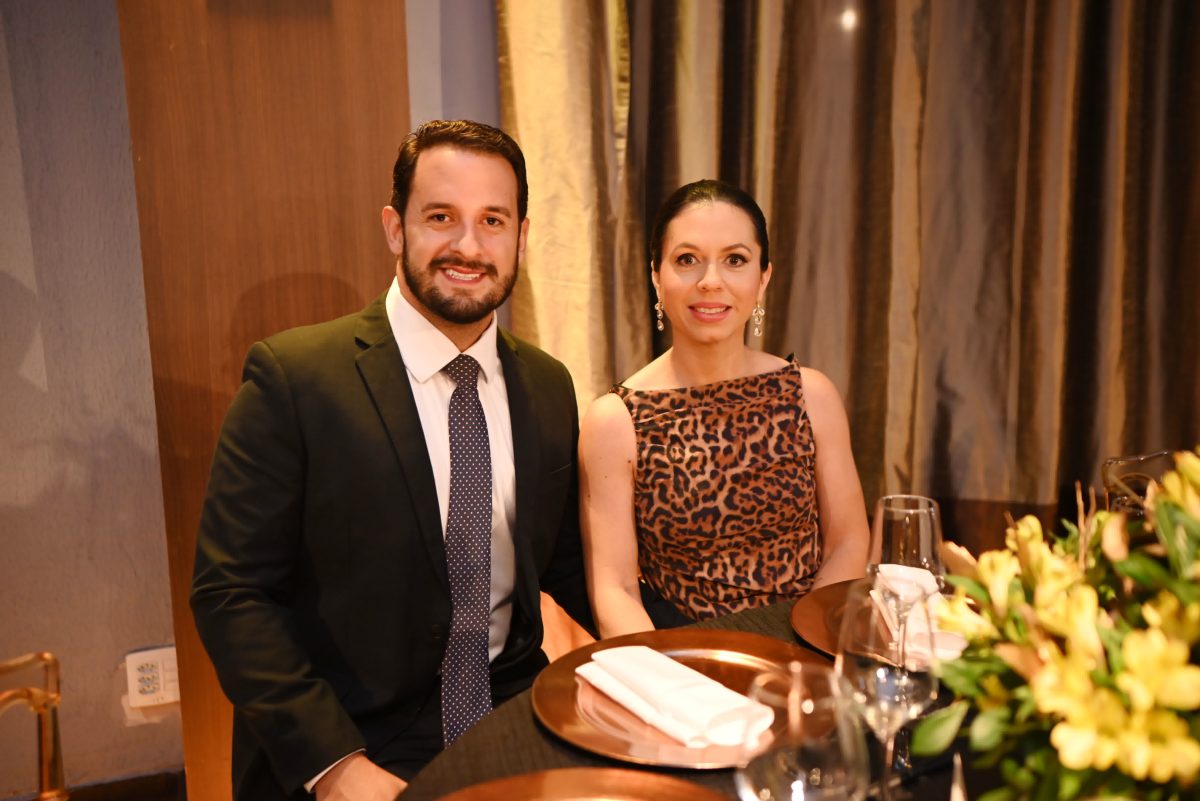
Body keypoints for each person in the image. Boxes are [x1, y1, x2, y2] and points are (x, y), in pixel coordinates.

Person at [191, 120, 592, 801]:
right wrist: (336, 768)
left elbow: (568, 565)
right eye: (441, 217)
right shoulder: (295, 379)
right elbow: (231, 593)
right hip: (353, 737)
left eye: (492, 221)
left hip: (510, 715)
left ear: (521, 238)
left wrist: (697, 658)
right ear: (395, 228)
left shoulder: (548, 384)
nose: (469, 246)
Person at [579, 179, 869, 638]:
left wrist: (806, 650)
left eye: (735, 260)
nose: (710, 281)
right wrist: (664, 676)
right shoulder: (616, 420)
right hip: (685, 660)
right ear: (656, 276)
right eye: (686, 260)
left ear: (763, 278)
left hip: (808, 651)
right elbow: (615, 589)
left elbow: (848, 543)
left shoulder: (811, 395)